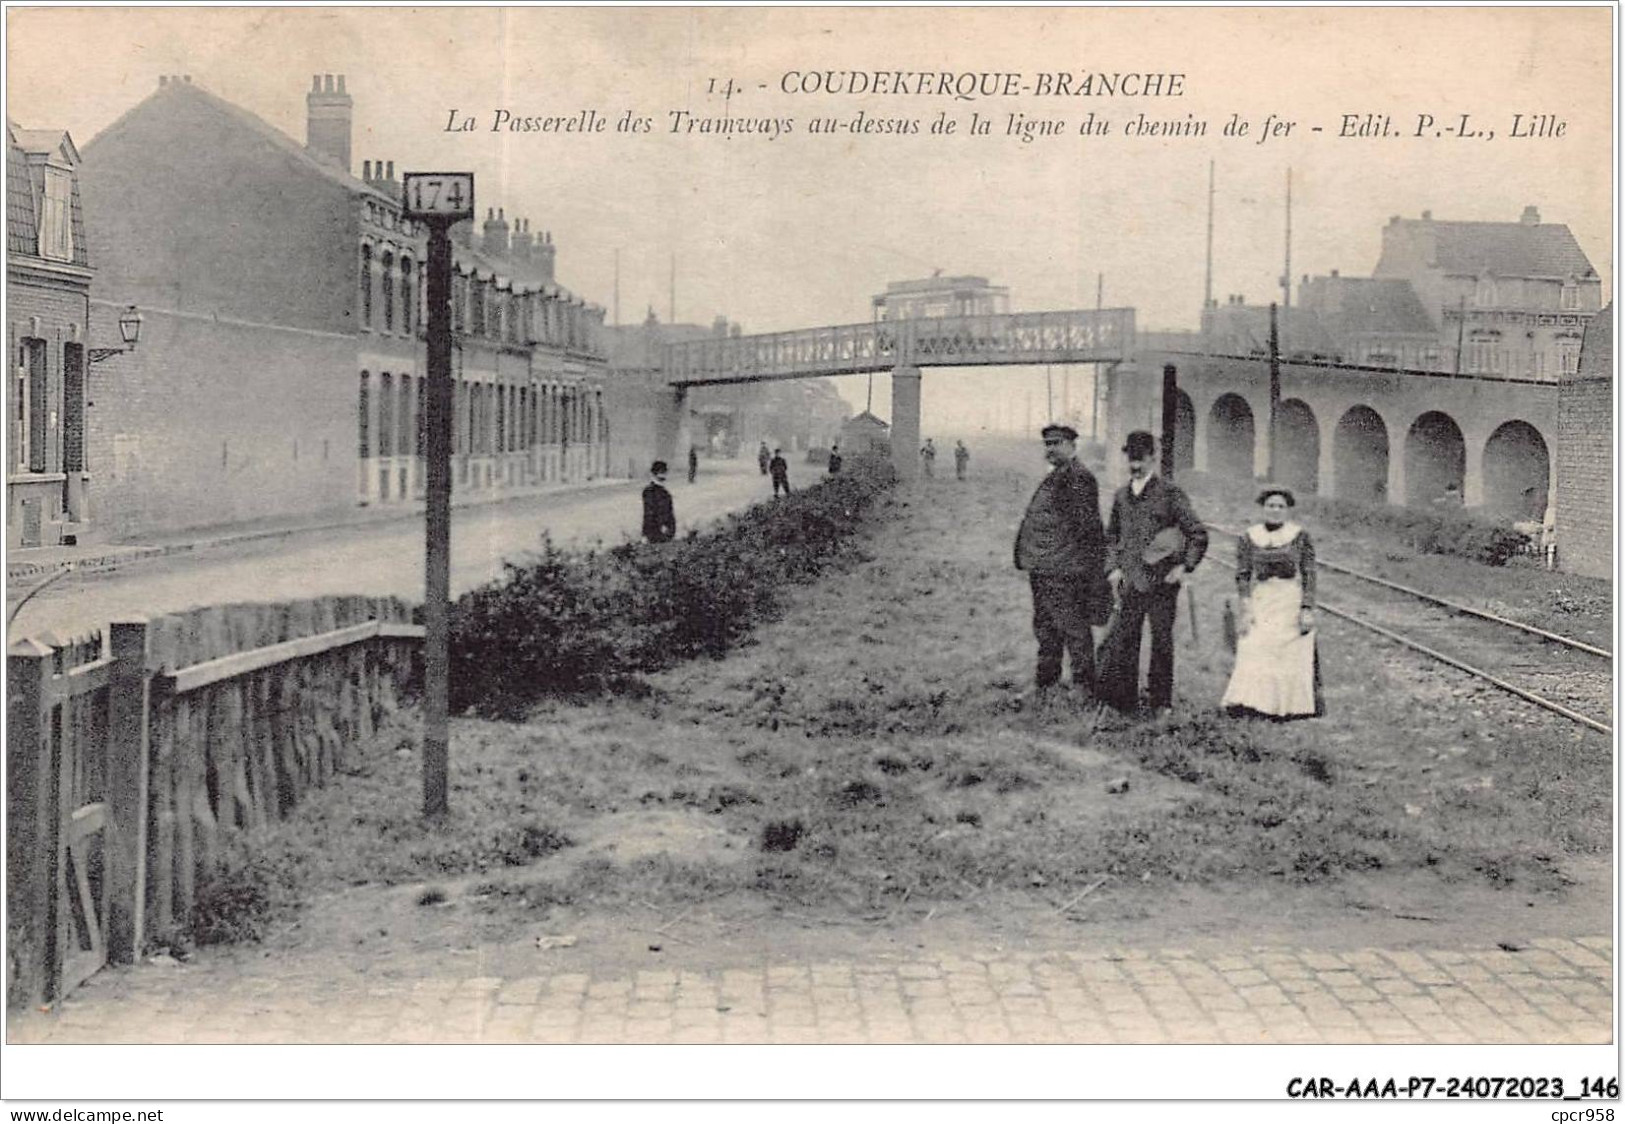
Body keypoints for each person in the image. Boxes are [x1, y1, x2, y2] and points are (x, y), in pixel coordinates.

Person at [1098, 430, 1208, 713]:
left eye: (1141, 460)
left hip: (1162, 583)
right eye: (1131, 460)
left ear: (1153, 458)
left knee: (1161, 641)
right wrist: (1112, 568)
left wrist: (1184, 566)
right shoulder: (1121, 496)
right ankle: (1124, 702)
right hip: (1130, 581)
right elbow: (1111, 537)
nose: (1135, 466)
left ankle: (1161, 703)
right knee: (1125, 639)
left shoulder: (1171, 494)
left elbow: (1197, 534)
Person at [1014, 424, 1112, 704]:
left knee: (1073, 627)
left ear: (1072, 445)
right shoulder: (1059, 475)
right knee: (1045, 627)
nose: (1051, 449)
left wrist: (1089, 570)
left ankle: (1083, 686)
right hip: (1045, 567)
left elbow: (1089, 528)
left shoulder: (1078, 478)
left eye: (1057, 443)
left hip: (1066, 570)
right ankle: (1046, 682)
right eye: (1047, 444)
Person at [1221, 485, 1324, 719]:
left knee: (1287, 650)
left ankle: (1287, 707)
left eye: (1280, 506)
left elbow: (1309, 573)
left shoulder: (1299, 536)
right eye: (1270, 505)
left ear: (1287, 510)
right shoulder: (1249, 537)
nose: (1275, 510)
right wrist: (1245, 604)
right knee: (1254, 645)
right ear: (1263, 508)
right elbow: (1243, 573)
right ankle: (1252, 703)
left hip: (1289, 597)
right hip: (1262, 597)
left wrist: (1307, 608)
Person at [641, 460, 676, 543]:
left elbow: (669, 512)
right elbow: (649, 513)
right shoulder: (650, 491)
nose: (663, 475)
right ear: (654, 474)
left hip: (665, 532)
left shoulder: (664, 492)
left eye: (664, 472)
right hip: (656, 532)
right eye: (660, 472)